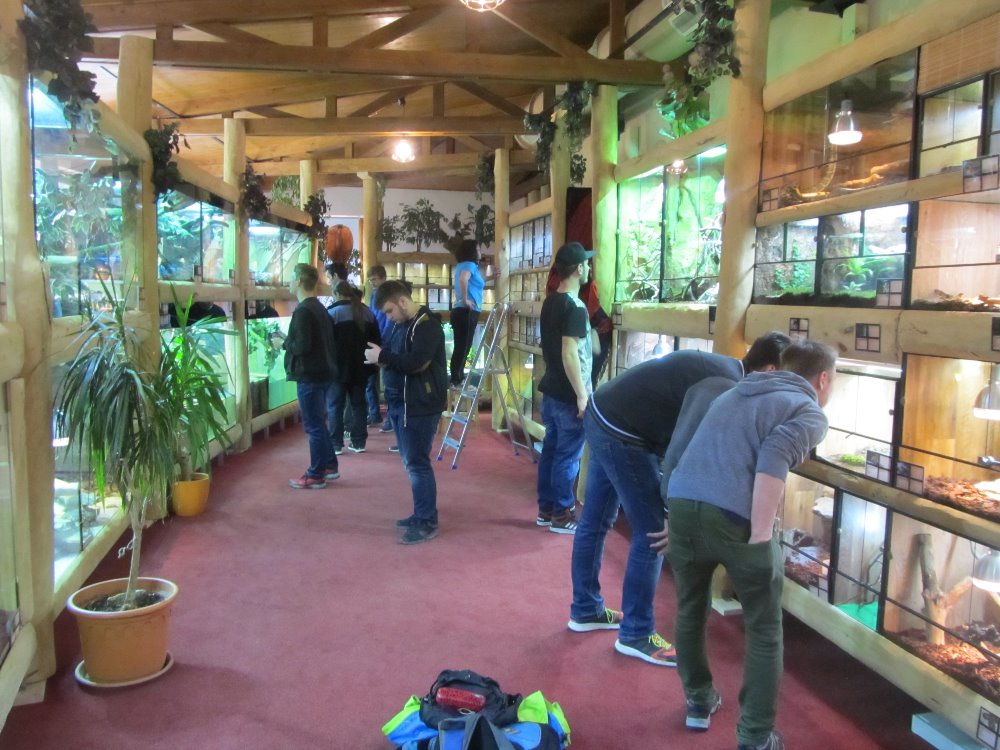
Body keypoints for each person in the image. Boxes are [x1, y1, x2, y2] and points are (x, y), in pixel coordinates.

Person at [568, 333, 792, 669]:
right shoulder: (724, 385)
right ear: (771, 370)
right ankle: (636, 634)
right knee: (655, 535)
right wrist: (670, 511)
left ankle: (585, 610)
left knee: (596, 521)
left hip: (605, 414)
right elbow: (681, 448)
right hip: (623, 432)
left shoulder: (727, 371)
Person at [664, 340, 836, 750]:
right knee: (764, 628)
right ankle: (755, 735)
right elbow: (774, 455)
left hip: (683, 504)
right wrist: (760, 536)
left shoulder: (735, 391)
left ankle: (698, 701)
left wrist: (674, 512)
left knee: (690, 607)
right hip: (735, 519)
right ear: (823, 379)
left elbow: (687, 445)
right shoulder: (809, 411)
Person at [364, 280, 447, 545]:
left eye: (389, 311)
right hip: (402, 404)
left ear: (402, 302)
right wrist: (382, 358)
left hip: (420, 405)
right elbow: (396, 356)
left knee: (417, 464)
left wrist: (383, 358)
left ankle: (427, 521)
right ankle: (421, 514)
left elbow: (416, 363)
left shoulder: (427, 326)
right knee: (411, 463)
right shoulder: (402, 325)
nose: (389, 317)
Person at [536, 242, 594, 535]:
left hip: (551, 391)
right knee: (568, 457)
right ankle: (562, 513)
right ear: (579, 269)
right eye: (587, 264)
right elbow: (570, 353)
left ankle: (546, 510)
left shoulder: (550, 302)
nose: (590, 268)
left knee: (550, 452)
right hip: (570, 396)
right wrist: (582, 395)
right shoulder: (575, 306)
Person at [283, 263, 340, 490]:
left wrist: (284, 343)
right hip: (323, 372)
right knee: (319, 422)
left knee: (313, 426)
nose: (288, 282)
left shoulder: (304, 311)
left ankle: (316, 473)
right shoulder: (318, 308)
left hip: (310, 375)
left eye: (291, 277)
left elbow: (302, 346)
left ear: (299, 281)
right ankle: (329, 464)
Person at [327, 280, 380, 454]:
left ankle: (336, 444)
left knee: (335, 406)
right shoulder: (367, 312)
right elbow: (376, 341)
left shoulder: (332, 313)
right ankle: (359, 442)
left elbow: (325, 343)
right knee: (359, 404)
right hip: (361, 368)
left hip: (337, 369)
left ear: (336, 294)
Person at [449, 239, 485, 386]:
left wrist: (489, 277)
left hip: (459, 311)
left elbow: (470, 281)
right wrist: (465, 300)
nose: (480, 252)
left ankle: (456, 379)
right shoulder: (470, 265)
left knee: (460, 346)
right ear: (472, 251)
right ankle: (457, 380)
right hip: (467, 311)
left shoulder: (462, 265)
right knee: (464, 347)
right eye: (478, 249)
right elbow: (463, 279)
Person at [367, 265, 393, 427]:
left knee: (389, 381)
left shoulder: (389, 294)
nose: (373, 283)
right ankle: (374, 413)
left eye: (375, 280)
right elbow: (372, 316)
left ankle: (391, 418)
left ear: (383, 278)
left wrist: (384, 339)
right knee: (370, 381)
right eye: (370, 280)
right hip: (375, 338)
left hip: (386, 340)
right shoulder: (373, 295)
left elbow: (389, 321)